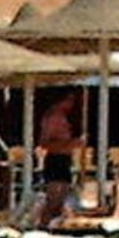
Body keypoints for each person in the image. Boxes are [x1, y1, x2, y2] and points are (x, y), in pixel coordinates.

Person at [32, 96, 80, 226]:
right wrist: (69, 144)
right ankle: (42, 224)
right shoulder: (52, 117)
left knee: (61, 198)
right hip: (55, 160)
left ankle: (51, 225)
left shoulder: (63, 117)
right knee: (53, 199)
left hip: (64, 160)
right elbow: (45, 144)